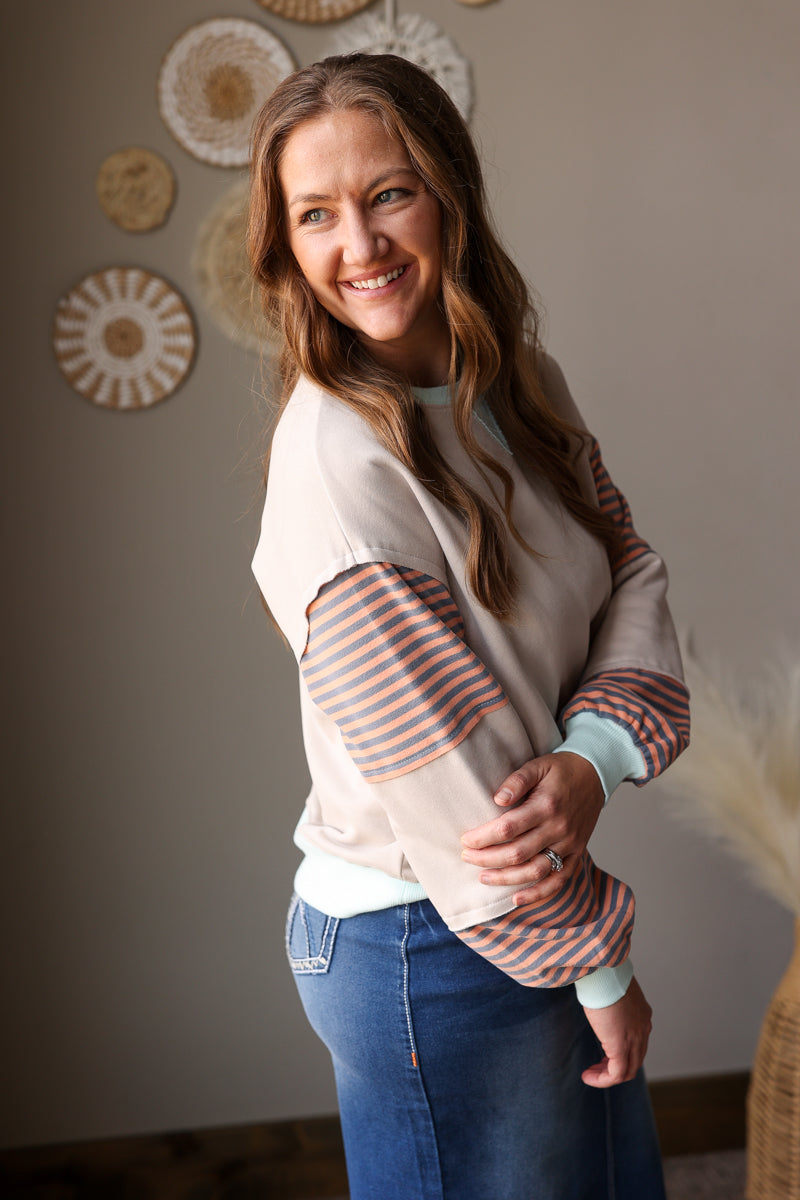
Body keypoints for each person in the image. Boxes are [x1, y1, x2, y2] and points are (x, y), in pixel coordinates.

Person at [248, 53, 689, 1200]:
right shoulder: (333, 461)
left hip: (524, 901)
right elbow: (457, 785)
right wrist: (599, 968)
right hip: (425, 945)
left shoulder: (519, 380)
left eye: (388, 193)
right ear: (284, 245)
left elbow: (628, 571)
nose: (360, 245)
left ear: (448, 194)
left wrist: (592, 760)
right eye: (315, 215)